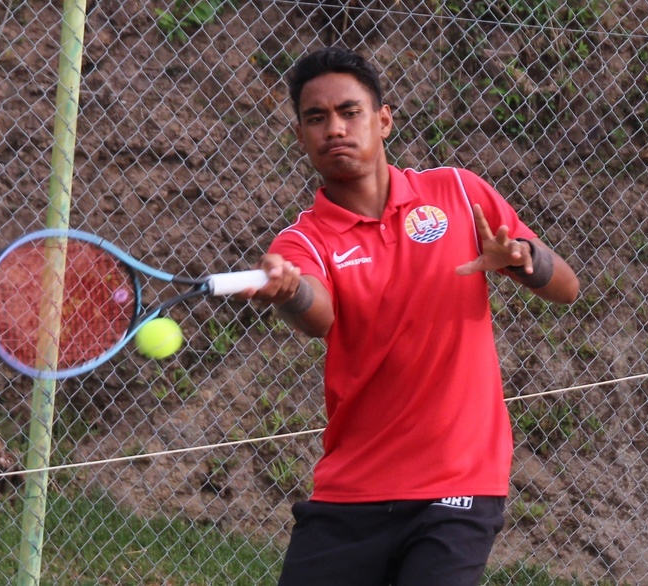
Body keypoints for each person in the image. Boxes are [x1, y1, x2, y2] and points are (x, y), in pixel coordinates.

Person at [242, 47, 580, 586]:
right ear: (300, 135)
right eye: (316, 118)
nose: (334, 128)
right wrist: (287, 291)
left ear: (383, 119)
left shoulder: (457, 192)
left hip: (457, 483)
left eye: (349, 112)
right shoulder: (303, 239)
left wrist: (522, 257)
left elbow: (567, 287)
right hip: (351, 491)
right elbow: (318, 316)